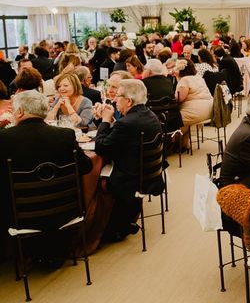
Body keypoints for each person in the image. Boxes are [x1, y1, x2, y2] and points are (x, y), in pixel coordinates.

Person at [0, 91, 93, 259]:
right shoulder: (64, 135)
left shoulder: (4, 139)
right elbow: (86, 167)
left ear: (19, 111)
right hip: (64, 210)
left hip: (20, 215)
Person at [94, 79, 164, 242]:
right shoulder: (149, 115)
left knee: (93, 179)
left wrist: (105, 121)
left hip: (129, 180)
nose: (115, 100)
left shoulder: (127, 123)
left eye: (118, 96)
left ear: (129, 100)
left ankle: (105, 227)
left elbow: (102, 148)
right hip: (149, 174)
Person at [174, 59, 213, 148]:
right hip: (209, 109)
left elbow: (179, 98)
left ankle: (172, 144)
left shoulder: (184, 80)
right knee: (185, 121)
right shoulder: (199, 77)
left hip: (196, 111)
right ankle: (184, 143)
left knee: (174, 121)